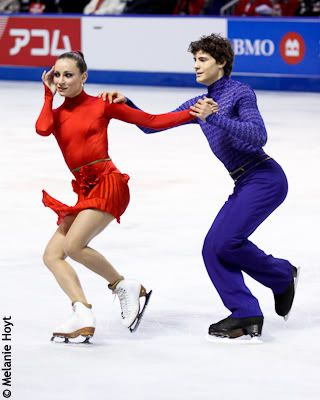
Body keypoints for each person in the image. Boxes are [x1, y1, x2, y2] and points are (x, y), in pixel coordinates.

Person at [101, 34, 299, 341]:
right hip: (244, 181)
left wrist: (216, 117)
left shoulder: (239, 93)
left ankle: (270, 286)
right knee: (214, 248)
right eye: (194, 59)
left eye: (203, 59)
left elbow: (258, 136)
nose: (196, 65)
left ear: (221, 63)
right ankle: (261, 295)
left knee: (224, 242)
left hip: (265, 177)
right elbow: (153, 123)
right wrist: (125, 104)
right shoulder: (198, 104)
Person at [35, 51, 209, 343]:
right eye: (57, 75)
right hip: (85, 190)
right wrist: (47, 95)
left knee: (74, 245)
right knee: (52, 255)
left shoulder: (102, 105)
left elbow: (152, 121)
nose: (61, 81)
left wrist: (192, 113)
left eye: (68, 75)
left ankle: (122, 285)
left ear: (83, 77)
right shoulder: (56, 113)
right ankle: (82, 312)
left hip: (107, 183)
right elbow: (42, 129)